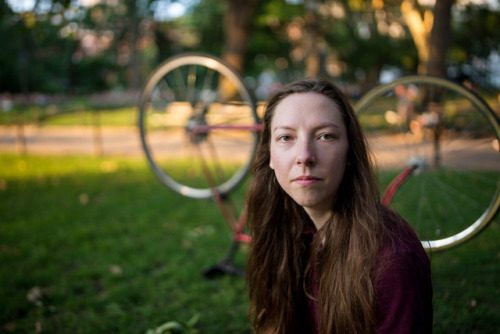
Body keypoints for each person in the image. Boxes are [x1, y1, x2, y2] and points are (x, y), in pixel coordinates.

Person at [245, 78, 432, 333]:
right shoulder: (286, 226)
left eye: (325, 136)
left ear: (350, 154)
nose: (304, 156)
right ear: (269, 156)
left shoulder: (391, 264)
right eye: (286, 137)